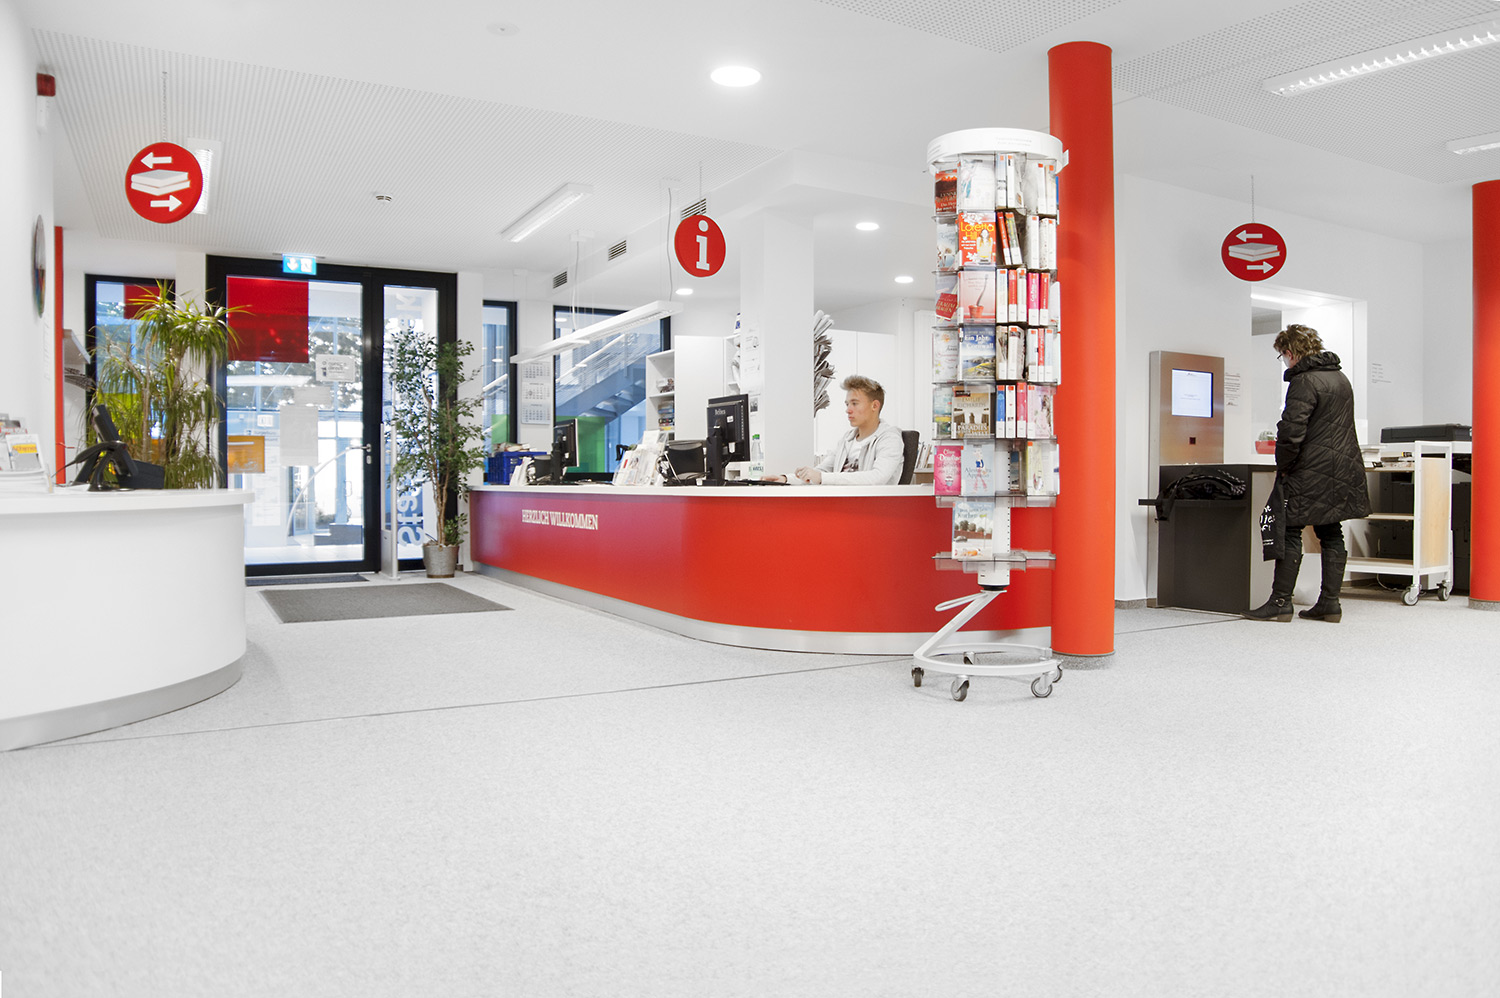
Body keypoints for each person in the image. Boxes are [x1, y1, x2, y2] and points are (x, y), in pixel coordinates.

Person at [1244, 324, 1370, 623]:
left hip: (1309, 468)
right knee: (1331, 531)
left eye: (1282, 356)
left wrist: (1284, 465)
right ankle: (1330, 603)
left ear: (1290, 352)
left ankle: (1280, 602)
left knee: (1289, 529)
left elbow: (1291, 431)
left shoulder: (1303, 381)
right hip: (1343, 466)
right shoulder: (1340, 378)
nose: (1284, 362)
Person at [768, 375, 904, 485]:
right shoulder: (847, 439)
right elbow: (821, 472)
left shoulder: (890, 439)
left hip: (870, 506)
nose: (848, 410)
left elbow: (877, 478)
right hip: (840, 503)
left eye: (855, 403)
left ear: (874, 405)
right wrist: (785, 479)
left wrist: (821, 477)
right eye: (847, 404)